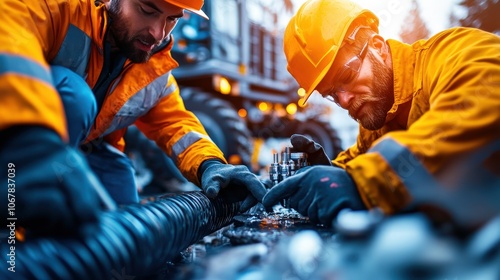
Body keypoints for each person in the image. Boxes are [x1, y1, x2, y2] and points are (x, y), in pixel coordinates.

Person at [0, 0, 266, 235]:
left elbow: (175, 124)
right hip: (18, 142)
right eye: (147, 10)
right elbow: (9, 41)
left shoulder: (153, 68)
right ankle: (16, 226)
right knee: (75, 97)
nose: (158, 33)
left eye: (172, 19)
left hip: (88, 148)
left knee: (126, 231)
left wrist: (210, 165)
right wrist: (30, 143)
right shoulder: (57, 7)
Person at [262, 0, 500, 227]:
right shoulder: (379, 119)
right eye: (332, 95)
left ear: (377, 46)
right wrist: (331, 173)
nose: (343, 101)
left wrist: (360, 184)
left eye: (346, 77)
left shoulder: (453, 53)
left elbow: (475, 107)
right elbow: (362, 159)